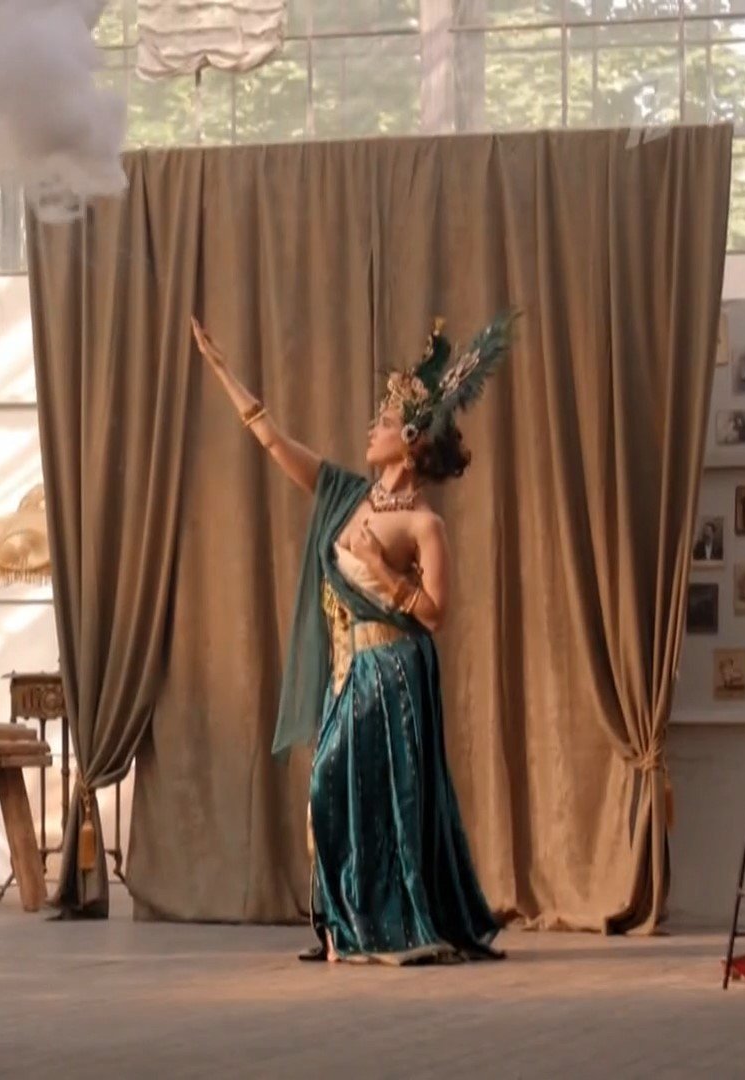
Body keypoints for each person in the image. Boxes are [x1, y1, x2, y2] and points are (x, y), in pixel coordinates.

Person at [191, 313, 513, 965]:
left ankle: (384, 922)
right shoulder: (345, 493)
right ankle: (345, 925)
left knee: (375, 794)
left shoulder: (424, 525)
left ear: (412, 442)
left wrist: (386, 573)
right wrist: (223, 373)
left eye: (384, 422)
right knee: (335, 790)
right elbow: (274, 443)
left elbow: (435, 614)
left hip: (393, 672)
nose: (371, 428)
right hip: (348, 670)